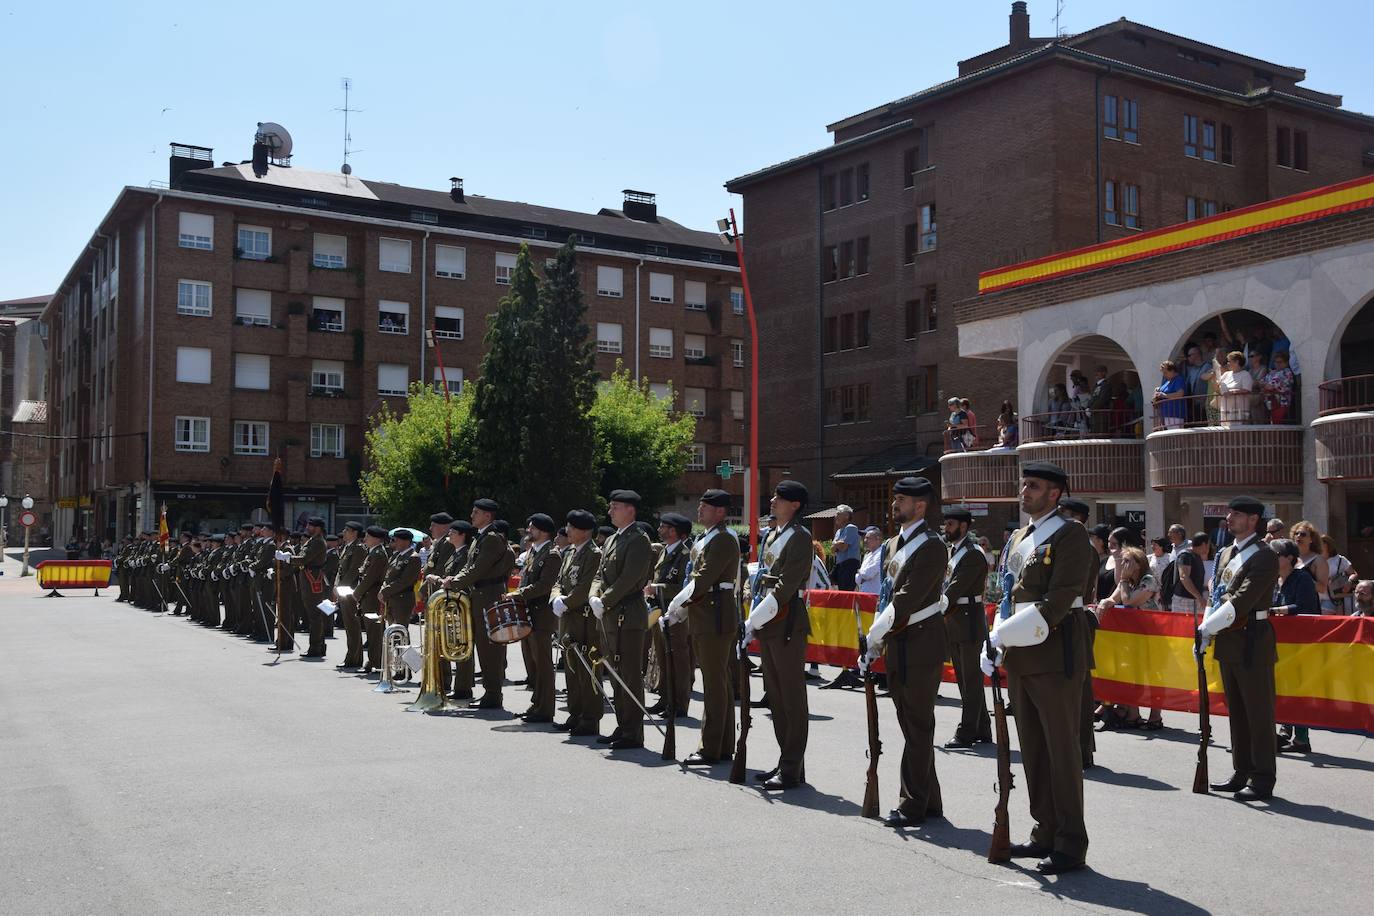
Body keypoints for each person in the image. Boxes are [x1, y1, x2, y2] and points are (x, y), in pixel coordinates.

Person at [981, 461, 1096, 874]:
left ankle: (1070, 841)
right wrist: (994, 639)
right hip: (1021, 651)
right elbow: (1005, 593)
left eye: (1034, 486)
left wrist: (1002, 636)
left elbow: (1060, 598)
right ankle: (1043, 829)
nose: (1024, 491)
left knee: (1061, 749)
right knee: (1031, 746)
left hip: (1055, 650)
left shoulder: (1071, 534)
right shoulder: (1018, 536)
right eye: (1023, 484)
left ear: (1055, 494)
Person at [859, 477, 948, 827]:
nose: (895, 504)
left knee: (917, 724)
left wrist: (873, 635)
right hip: (898, 640)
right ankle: (930, 800)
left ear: (921, 506)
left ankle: (912, 803)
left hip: (921, 641)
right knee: (912, 723)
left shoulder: (931, 546)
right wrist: (877, 643)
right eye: (895, 498)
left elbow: (906, 599)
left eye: (902, 500)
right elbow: (885, 594)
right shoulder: (894, 544)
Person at [1198, 496, 1281, 801]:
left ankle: (1262, 778)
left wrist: (1208, 628)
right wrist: (1206, 631)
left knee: (1258, 714)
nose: (1229, 518)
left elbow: (1241, 601)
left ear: (1254, 520)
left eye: (1237, 514)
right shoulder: (1225, 553)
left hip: (1252, 639)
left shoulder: (1264, 556)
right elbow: (1217, 596)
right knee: (1237, 713)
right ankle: (1241, 770)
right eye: (1229, 513)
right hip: (1229, 639)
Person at [743, 480, 815, 790]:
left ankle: (791, 766)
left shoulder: (799, 537)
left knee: (790, 697)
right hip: (769, 619)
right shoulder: (774, 534)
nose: (772, 501)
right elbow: (762, 576)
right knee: (776, 696)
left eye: (779, 498)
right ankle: (788, 761)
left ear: (795, 505)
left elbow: (785, 586)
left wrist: (752, 621)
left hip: (786, 620)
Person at [665, 489, 741, 765]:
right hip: (704, 614)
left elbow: (703, 578)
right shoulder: (707, 537)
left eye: (705, 506)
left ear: (720, 511)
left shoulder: (722, 539)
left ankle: (711, 746)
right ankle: (720, 744)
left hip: (715, 616)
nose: (699, 509)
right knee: (717, 681)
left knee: (715, 683)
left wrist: (676, 606)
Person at [588, 490, 654, 750]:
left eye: (615, 506)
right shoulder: (615, 538)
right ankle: (622, 725)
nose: (610, 511)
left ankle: (633, 732)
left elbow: (629, 578)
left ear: (631, 510)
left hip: (628, 613)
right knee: (614, 674)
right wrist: (594, 596)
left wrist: (604, 601)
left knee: (628, 674)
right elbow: (599, 575)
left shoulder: (638, 539)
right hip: (609, 615)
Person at [449, 498, 516, 710]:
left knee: (489, 648)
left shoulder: (492, 539)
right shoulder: (481, 538)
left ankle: (493, 693)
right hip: (479, 595)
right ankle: (489, 691)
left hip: (489, 595)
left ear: (487, 516)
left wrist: (455, 582)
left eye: (476, 512)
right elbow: (469, 566)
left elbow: (479, 568)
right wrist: (453, 579)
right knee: (480, 644)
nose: (472, 516)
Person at [1094, 546, 1162, 729]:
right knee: (1133, 672)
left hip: (1151, 635)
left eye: (1127, 561)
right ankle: (1133, 714)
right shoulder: (1127, 582)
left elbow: (1128, 601)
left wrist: (1123, 580)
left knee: (1153, 675)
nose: (1123, 564)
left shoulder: (1148, 580)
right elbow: (1112, 599)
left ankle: (1155, 717)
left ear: (1138, 564)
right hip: (1133, 635)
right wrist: (1103, 603)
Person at [940, 506, 990, 749]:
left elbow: (954, 589)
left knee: (970, 680)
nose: (946, 529)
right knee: (965, 679)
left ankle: (967, 732)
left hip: (968, 619)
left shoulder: (972, 554)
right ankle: (982, 727)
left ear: (963, 526)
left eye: (950, 525)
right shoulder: (954, 551)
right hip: (956, 620)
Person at [551, 510, 603, 736]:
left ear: (585, 531)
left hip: (584, 618)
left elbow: (586, 586)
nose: (567, 531)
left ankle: (590, 718)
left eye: (572, 527)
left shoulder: (594, 554)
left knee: (588, 669)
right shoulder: (570, 552)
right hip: (568, 617)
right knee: (571, 669)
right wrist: (556, 598)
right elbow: (558, 581)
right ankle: (575, 713)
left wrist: (568, 602)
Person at [1267, 537, 1320, 753]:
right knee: (1284, 688)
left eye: (1275, 555)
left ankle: (1301, 739)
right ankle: (1284, 732)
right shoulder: (1276, 579)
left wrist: (1278, 611)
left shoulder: (1302, 578)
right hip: (1281, 643)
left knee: (1298, 688)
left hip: (1301, 644)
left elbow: (1304, 607)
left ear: (1289, 558)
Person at [512, 513, 560, 724]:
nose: (528, 530)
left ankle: (545, 709)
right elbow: (525, 580)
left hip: (542, 614)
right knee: (533, 662)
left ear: (543, 531)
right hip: (529, 613)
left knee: (543, 663)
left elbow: (545, 585)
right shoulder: (533, 552)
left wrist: (519, 594)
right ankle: (537, 703)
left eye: (532, 527)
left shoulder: (552, 554)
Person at [645, 511, 692, 718]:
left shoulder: (685, 555)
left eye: (664, 527)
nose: (660, 530)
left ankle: (679, 704)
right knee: (663, 658)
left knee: (677, 660)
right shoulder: (665, 551)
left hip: (676, 614)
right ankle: (665, 698)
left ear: (674, 531)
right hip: (659, 611)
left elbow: (685, 586)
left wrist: (658, 588)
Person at [279, 516, 330, 659]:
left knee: (314, 616)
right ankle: (319, 646)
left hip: (312, 579)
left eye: (311, 525)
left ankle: (316, 647)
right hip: (308, 578)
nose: (308, 527)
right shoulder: (313, 541)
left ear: (318, 528)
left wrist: (287, 558)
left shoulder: (318, 542)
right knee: (313, 615)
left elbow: (303, 559)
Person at [333, 521, 367, 670]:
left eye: (347, 530)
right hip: (344, 589)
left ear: (354, 533)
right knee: (348, 625)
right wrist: (336, 586)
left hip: (351, 590)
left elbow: (354, 571)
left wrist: (340, 587)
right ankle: (351, 656)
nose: (344, 532)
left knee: (353, 625)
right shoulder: (347, 547)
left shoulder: (358, 548)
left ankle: (354, 658)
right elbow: (341, 570)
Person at [1289, 521, 1330, 609]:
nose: (1299, 536)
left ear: (1311, 539)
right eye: (1296, 533)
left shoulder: (1318, 560)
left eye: (1303, 534)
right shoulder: (1289, 558)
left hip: (1308, 606)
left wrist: (1303, 579)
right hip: (1288, 603)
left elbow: (1322, 588)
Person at [1213, 350, 1253, 426]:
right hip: (1225, 409)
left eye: (1229, 361)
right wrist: (1215, 378)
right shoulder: (1226, 374)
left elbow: (1247, 390)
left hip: (1239, 410)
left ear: (1237, 362)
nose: (1228, 363)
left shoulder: (1245, 374)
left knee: (1238, 432)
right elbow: (1218, 389)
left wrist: (1231, 392)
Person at [1320, 534, 1357, 614]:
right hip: (1316, 599)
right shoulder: (1315, 560)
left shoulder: (1339, 560)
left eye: (1320, 543)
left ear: (1327, 545)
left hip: (1334, 599)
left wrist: (1349, 582)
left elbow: (1353, 574)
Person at [830, 505, 860, 590]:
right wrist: (837, 544)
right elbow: (832, 550)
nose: (836, 516)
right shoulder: (838, 531)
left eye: (838, 513)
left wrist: (836, 544)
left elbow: (843, 548)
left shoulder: (851, 528)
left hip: (849, 564)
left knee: (847, 591)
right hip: (840, 565)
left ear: (846, 516)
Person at [1262, 352, 1295, 423]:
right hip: (1270, 403)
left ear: (1286, 362)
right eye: (1275, 362)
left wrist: (1267, 386)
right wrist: (1265, 386)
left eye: (1280, 362)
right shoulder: (1271, 373)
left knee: (1280, 426)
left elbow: (1271, 386)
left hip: (1282, 404)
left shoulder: (1287, 372)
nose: (1277, 364)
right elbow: (1261, 382)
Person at [1153, 360, 1187, 429]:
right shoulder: (1167, 381)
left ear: (1172, 370)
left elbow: (1180, 394)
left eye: (1165, 373)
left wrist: (1164, 395)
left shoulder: (1178, 380)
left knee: (1175, 437)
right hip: (1165, 415)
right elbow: (1164, 390)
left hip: (1174, 415)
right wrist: (1157, 390)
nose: (1164, 375)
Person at [854, 526, 884, 595]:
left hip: (875, 595)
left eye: (868, 538)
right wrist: (862, 575)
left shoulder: (882, 554)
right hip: (864, 594)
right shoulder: (867, 555)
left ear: (878, 540)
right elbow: (858, 580)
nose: (864, 540)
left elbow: (869, 573)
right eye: (864, 537)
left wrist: (859, 571)